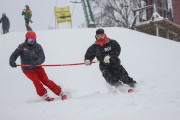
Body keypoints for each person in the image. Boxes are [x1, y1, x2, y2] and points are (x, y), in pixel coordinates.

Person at [9, 31, 67, 101]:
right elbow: (14, 55)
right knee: (36, 80)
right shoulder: (21, 46)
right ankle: (44, 94)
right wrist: (12, 61)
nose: (32, 42)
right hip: (27, 68)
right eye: (30, 40)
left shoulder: (38, 47)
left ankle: (60, 92)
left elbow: (42, 57)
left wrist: (36, 62)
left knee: (46, 80)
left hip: (37, 67)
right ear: (26, 39)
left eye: (33, 40)